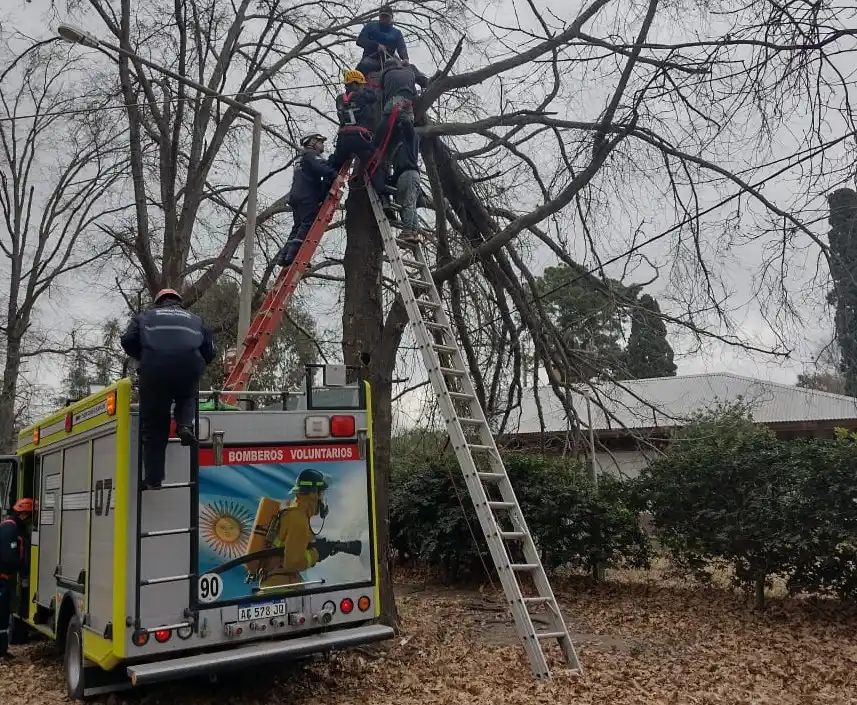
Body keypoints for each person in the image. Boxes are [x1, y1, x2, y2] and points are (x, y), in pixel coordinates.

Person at [120, 289, 215, 490]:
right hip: (188, 366)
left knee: (154, 426)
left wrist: (145, 354)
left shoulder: (145, 317)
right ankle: (185, 426)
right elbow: (209, 351)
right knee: (187, 392)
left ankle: (153, 479)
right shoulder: (196, 320)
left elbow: (127, 341)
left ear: (159, 302)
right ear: (179, 302)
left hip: (154, 369)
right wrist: (194, 363)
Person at [258, 469, 329, 590]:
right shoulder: (298, 518)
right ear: (313, 494)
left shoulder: (293, 514)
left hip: (276, 585)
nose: (322, 500)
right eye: (321, 494)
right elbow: (293, 563)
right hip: (282, 588)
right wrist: (317, 553)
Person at [278, 132, 339, 268]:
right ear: (312, 142)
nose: (323, 145)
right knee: (308, 224)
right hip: (307, 196)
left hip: (295, 195)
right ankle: (295, 255)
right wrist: (336, 175)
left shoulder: (300, 157)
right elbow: (320, 167)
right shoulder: (311, 155)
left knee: (297, 226)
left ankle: (284, 256)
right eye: (320, 142)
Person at [328, 70, 390, 196]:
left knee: (335, 165)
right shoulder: (364, 95)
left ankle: (327, 188)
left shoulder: (340, 99)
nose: (363, 86)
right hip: (360, 138)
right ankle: (383, 196)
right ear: (355, 84)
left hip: (343, 139)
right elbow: (374, 96)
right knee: (374, 162)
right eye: (361, 84)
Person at [0, 498, 33, 658]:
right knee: (1, 614)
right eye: (31, 516)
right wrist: (23, 567)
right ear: (24, 514)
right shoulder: (10, 529)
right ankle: (1, 650)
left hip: (4, 577)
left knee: (4, 613)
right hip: (2, 578)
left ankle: (2, 649)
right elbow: (9, 557)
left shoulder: (10, 526)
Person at [388, 130, 422, 243]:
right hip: (409, 177)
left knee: (408, 204)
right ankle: (414, 233)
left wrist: (404, 116)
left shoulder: (409, 139)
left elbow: (408, 126)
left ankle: (407, 231)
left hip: (408, 175)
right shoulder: (401, 150)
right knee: (410, 205)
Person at [356, 5, 408, 76]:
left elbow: (401, 47)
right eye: (382, 16)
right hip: (371, 59)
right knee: (362, 67)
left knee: (410, 69)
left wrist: (405, 58)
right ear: (379, 16)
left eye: (386, 16)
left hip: (390, 61)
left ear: (391, 17)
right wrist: (376, 45)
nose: (384, 18)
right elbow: (360, 41)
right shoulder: (370, 26)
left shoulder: (397, 33)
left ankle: (425, 83)